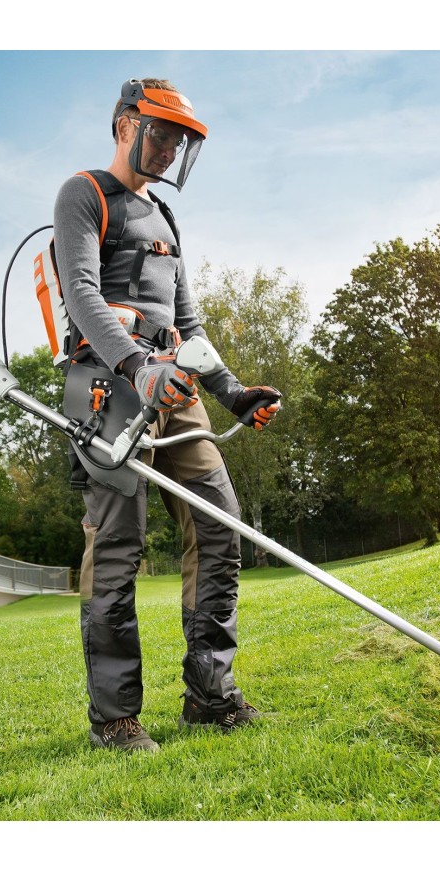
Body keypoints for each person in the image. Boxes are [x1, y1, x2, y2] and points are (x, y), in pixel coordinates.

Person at [52, 78, 281, 751]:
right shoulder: (84, 193)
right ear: (126, 124)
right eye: (161, 132)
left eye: (180, 139)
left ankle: (210, 694)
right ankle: (115, 719)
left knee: (219, 524)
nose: (171, 147)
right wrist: (136, 365)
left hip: (174, 388)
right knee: (118, 548)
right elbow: (84, 297)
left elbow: (187, 322)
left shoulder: (166, 219)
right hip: (107, 386)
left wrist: (232, 392)